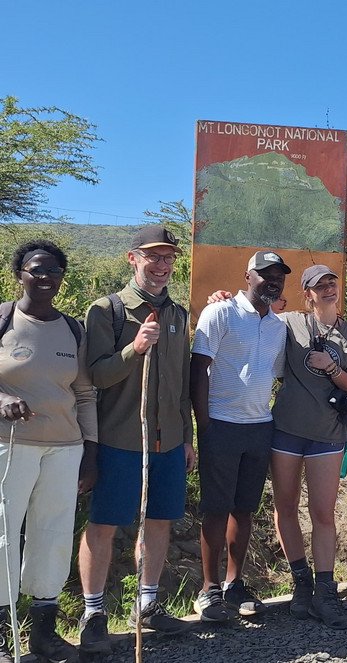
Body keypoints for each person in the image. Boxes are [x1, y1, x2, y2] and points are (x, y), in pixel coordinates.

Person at [76, 227, 193, 654]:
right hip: (120, 439)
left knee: (160, 519)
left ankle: (148, 604)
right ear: (132, 258)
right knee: (104, 525)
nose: (161, 266)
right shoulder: (107, 310)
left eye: (168, 258)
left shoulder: (179, 314)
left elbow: (181, 386)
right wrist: (135, 349)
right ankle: (93, 614)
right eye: (152, 257)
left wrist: (187, 436)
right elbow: (96, 376)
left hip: (168, 441)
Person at [0, 240, 97, 662]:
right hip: (10, 445)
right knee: (4, 536)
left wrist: (90, 452)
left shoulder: (72, 329)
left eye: (54, 271)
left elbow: (85, 394)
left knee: (53, 535)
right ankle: (6, 639)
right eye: (36, 269)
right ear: (18, 273)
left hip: (65, 448)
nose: (45, 277)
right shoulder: (3, 319)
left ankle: (43, 632)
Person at [190, 250, 289, 622]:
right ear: (248, 276)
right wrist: (204, 425)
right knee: (215, 508)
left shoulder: (278, 326)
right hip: (221, 423)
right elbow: (198, 369)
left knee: (244, 508)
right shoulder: (221, 312)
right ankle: (208, 589)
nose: (272, 280)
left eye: (279, 276)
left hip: (259, 426)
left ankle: (234, 583)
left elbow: (276, 375)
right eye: (265, 274)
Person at [270, 265, 347, 628]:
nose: (328, 289)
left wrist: (330, 368)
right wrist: (220, 300)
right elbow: (252, 319)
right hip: (286, 429)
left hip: (328, 434)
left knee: (323, 513)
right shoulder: (289, 323)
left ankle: (326, 592)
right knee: (285, 507)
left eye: (332, 283)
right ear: (306, 293)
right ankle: (301, 584)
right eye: (319, 286)